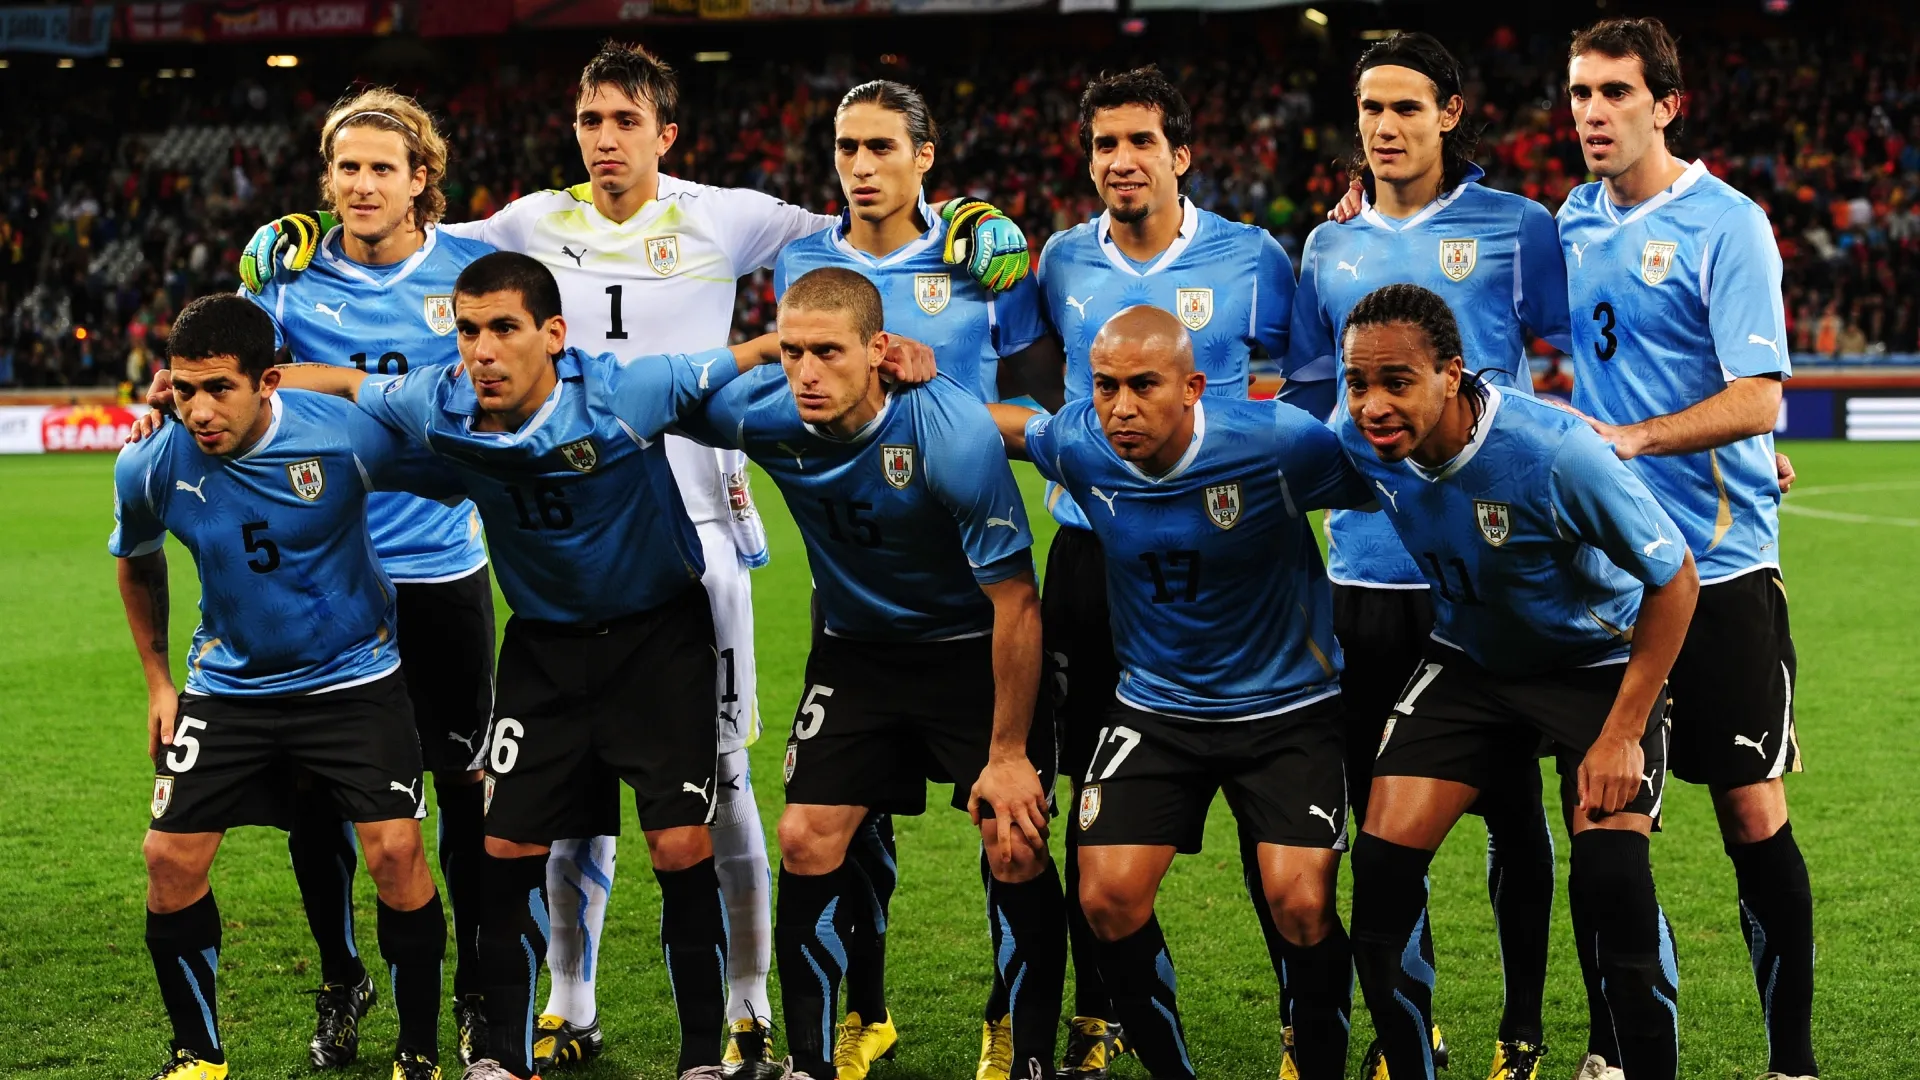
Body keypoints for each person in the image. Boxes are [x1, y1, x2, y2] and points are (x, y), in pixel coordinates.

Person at [236, 47, 1029, 1075]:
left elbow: (848, 229)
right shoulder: (528, 222)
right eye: (588, 119)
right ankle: (570, 999)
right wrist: (310, 229)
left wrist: (957, 214)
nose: (603, 138)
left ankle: (746, 1005)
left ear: (666, 131)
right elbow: (419, 237)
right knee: (564, 804)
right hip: (572, 534)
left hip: (702, 531)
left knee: (725, 782)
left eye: (623, 119)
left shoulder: (729, 214)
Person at [257, 252, 876, 1080]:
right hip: (543, 652)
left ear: (552, 335)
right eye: (467, 329)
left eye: (503, 329)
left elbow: (745, 358)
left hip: (659, 645)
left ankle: (702, 1058)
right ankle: (502, 1060)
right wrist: (218, 390)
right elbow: (340, 384)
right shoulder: (438, 399)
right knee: (503, 847)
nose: (481, 349)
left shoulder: (623, 394)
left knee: (678, 847)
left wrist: (819, 355)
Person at [675, 265, 1061, 1080]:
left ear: (879, 350)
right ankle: (812, 1064)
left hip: (970, 649)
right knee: (806, 835)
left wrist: (1009, 752)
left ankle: (1027, 1058)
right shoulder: (765, 411)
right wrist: (751, 354)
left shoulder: (950, 431)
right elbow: (649, 393)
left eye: (828, 353)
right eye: (793, 353)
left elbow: (1017, 603)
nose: (807, 374)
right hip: (856, 652)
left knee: (1014, 841)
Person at [997, 66, 1301, 1079]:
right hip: (1095, 550)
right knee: (1089, 792)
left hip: (1232, 562)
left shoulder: (1252, 256)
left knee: (1274, 821)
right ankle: (1097, 1014)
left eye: (1140, 141)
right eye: (1103, 145)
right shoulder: (1061, 261)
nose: (1120, 161)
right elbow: (1045, 384)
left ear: (1180, 153)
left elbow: (1302, 391)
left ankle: (1305, 1020)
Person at [1279, 33, 1569, 1080]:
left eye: (1406, 107)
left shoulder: (1519, 229)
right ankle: (1416, 1021)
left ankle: (1523, 1026)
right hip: (1363, 571)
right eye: (1370, 109)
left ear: (1450, 113)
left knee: (1512, 813)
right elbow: (1314, 399)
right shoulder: (1327, 246)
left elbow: (1573, 382)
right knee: (1382, 819)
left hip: (1491, 580)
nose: (1385, 127)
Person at [767, 78, 1062, 1080]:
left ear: (925, 155)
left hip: (976, 588)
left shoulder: (985, 254)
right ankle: (865, 1012)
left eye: (881, 147)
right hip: (857, 591)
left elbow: (1032, 384)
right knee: (842, 826)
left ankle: (1009, 1027)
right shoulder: (805, 262)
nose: (859, 166)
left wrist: (958, 422)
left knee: (1010, 832)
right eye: (846, 147)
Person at [990, 306, 1370, 1080]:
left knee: (1300, 904)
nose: (1121, 407)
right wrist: (908, 377)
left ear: (1193, 386)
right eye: (1105, 387)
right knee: (1107, 899)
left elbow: (1387, 474)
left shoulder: (1277, 444)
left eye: (1143, 386)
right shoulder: (1081, 442)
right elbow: (1013, 428)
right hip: (1156, 709)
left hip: (1289, 709)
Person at [1333, 283, 1697, 1080]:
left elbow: (1676, 580)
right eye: (1357, 383)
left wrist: (1624, 731)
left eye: (1397, 381)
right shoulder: (1356, 437)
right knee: (1383, 874)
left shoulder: (1555, 453)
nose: (1372, 405)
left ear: (1453, 374)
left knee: (1611, 881)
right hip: (1470, 663)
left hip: (1593, 669)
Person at [1556, 19, 1812, 1080]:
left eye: (1615, 93)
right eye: (1578, 94)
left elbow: (1759, 397)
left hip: (1724, 564)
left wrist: (1636, 438)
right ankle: (1613, 1054)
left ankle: (1789, 1061)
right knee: (1602, 810)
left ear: (1668, 104)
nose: (1592, 113)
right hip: (1608, 575)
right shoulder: (1566, 220)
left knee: (1752, 813)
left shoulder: (1729, 224)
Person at [113, 294, 453, 1080]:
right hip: (229, 687)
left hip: (353, 679)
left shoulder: (340, 435)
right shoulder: (152, 460)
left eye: (219, 389)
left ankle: (417, 1052)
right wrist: (160, 682)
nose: (199, 410)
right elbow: (135, 558)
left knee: (397, 853)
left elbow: (456, 467)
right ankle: (198, 1055)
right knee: (167, 858)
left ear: (268, 380)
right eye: (185, 388)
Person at [237, 87, 499, 1070]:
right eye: (346, 167)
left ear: (421, 179)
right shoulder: (289, 277)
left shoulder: (471, 270)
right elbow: (244, 386)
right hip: (324, 575)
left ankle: (473, 988)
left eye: (382, 167)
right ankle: (342, 981)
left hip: (439, 570)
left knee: (463, 788)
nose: (361, 184)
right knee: (315, 792)